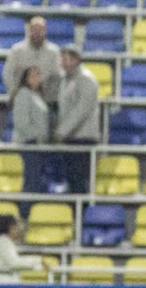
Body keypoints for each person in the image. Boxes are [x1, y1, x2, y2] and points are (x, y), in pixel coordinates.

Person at [54, 46, 99, 195]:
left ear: (77, 60)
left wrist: (61, 131)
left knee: (80, 182)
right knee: (72, 181)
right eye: (62, 59)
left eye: (67, 59)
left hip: (83, 139)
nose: (64, 62)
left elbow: (81, 110)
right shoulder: (64, 80)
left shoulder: (87, 80)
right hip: (70, 139)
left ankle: (82, 215)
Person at [12, 66, 51, 202]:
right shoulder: (23, 94)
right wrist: (38, 136)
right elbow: (22, 123)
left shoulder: (38, 96)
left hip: (38, 146)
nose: (36, 79)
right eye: (32, 76)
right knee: (31, 182)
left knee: (37, 182)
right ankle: (25, 214)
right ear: (25, 79)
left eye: (38, 75)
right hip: (28, 145)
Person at [2, 17, 60, 106]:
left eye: (40, 30)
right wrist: (16, 94)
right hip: (21, 100)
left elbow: (58, 76)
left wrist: (48, 97)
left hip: (47, 101)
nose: (37, 33)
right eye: (34, 29)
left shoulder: (54, 51)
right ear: (29, 30)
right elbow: (7, 74)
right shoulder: (17, 50)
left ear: (45, 31)